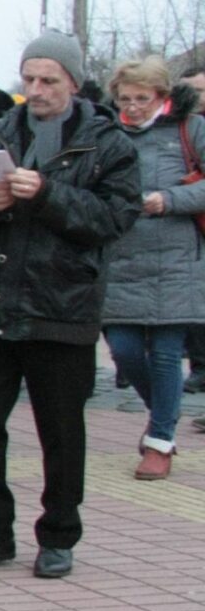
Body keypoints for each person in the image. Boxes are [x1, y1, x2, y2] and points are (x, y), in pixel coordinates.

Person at [0, 34, 141, 579]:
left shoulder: (108, 143)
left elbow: (114, 219)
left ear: (73, 82)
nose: (36, 90)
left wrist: (47, 193)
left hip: (63, 306)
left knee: (60, 429)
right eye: (28, 79)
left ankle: (58, 536)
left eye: (49, 80)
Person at [99, 56, 205, 481]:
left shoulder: (190, 129)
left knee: (164, 355)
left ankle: (160, 440)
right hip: (120, 258)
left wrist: (169, 201)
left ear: (162, 96)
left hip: (174, 260)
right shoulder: (108, 132)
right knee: (123, 350)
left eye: (143, 99)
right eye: (126, 99)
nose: (134, 107)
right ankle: (161, 414)